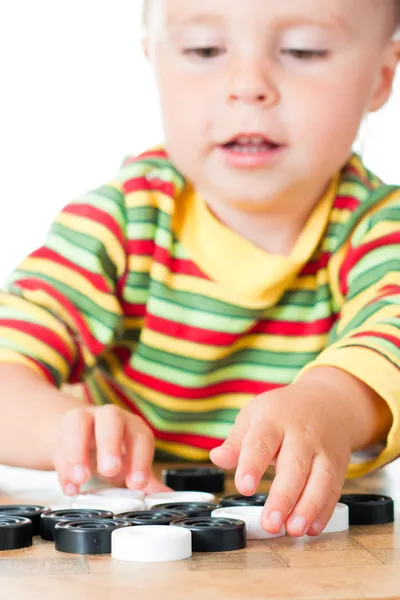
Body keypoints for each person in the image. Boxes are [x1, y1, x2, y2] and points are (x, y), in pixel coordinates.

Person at [0, 0, 399, 538]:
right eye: (205, 49)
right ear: (155, 65)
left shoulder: (377, 229)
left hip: (308, 545)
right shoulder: (120, 223)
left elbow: (390, 332)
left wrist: (330, 402)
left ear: (380, 79)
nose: (248, 85)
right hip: (138, 539)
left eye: (303, 50)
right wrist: (63, 431)